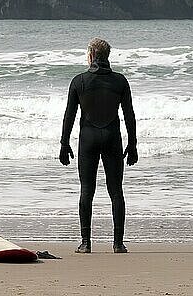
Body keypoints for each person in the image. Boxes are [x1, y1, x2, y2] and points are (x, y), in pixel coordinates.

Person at [59, 37, 138, 254]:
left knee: (87, 190)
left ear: (92, 55)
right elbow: (129, 115)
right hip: (112, 137)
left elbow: (70, 116)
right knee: (116, 191)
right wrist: (133, 144)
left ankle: (85, 243)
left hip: (88, 139)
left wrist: (64, 143)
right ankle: (118, 244)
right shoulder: (120, 81)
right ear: (107, 56)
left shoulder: (79, 81)